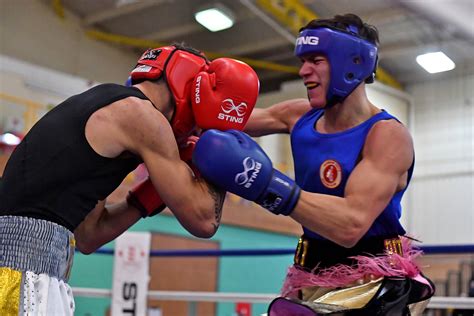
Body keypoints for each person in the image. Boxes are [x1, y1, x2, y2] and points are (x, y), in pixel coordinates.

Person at [191, 14, 435, 315]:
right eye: (303, 60)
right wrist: (180, 91)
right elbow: (220, 120)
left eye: (316, 60)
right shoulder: (300, 115)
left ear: (352, 62)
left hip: (371, 283)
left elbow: (351, 225)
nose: (304, 71)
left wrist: (268, 186)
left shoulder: (386, 136)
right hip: (310, 273)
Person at [0, 44, 259, 315]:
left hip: (27, 271)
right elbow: (204, 220)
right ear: (191, 86)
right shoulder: (142, 117)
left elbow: (89, 236)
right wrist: (218, 136)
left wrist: (147, 197)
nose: (195, 126)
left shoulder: (101, 108)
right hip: (22, 277)